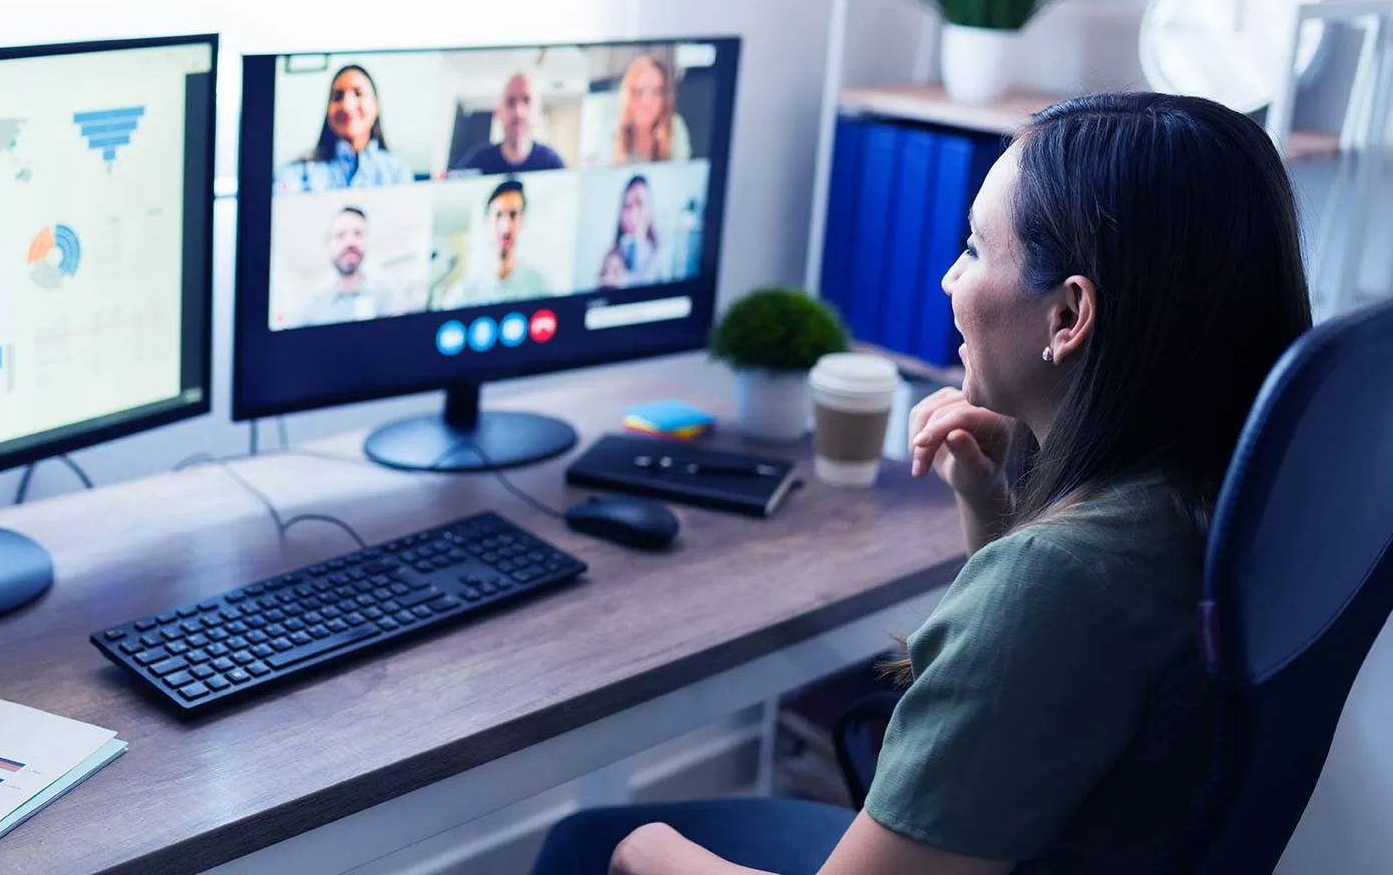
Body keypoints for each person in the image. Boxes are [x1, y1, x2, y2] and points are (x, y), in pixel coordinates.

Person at [529, 92, 1314, 874]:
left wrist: (644, 852)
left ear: (1068, 316)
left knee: (593, 842)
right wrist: (988, 502)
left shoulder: (1061, 579)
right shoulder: (1212, 498)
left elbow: (1044, 613)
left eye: (974, 249)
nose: (946, 279)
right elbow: (1054, 677)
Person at [276, 64, 415, 192]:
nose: (347, 105)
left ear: (375, 106)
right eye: (337, 97)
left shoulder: (397, 172)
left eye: (358, 93)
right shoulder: (298, 173)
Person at [440, 179, 552, 307]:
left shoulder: (540, 286)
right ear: (486, 223)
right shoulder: (461, 294)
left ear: (522, 222)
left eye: (513, 215)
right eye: (499, 215)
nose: (506, 228)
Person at [294, 207, 403, 327]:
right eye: (340, 235)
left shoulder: (388, 295)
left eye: (358, 234)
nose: (350, 242)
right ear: (328, 246)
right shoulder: (308, 310)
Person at [453, 71, 567, 175]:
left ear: (538, 111)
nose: (518, 112)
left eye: (527, 101)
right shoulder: (479, 158)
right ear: (499, 112)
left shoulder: (551, 163)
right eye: (510, 102)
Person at [604, 54, 692, 166]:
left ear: (665, 98)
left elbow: (682, 175)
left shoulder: (675, 127)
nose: (647, 101)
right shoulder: (612, 130)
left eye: (657, 92)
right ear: (628, 95)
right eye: (639, 92)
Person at [605, 175, 674, 287]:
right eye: (627, 206)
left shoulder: (663, 257)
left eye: (640, 203)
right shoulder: (610, 258)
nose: (633, 215)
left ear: (650, 209)